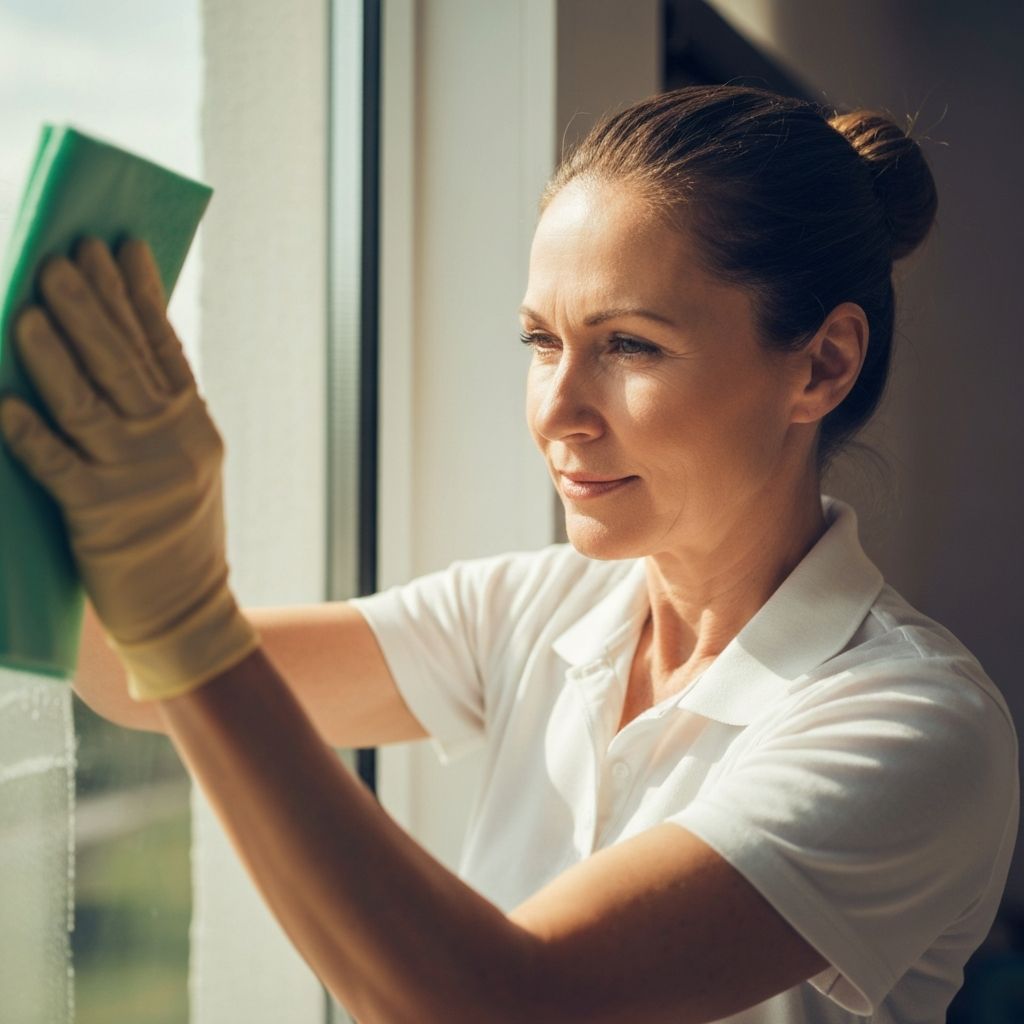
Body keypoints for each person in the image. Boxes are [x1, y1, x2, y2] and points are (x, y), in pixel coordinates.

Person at [0, 84, 1017, 1023]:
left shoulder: (914, 724)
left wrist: (186, 609)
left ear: (822, 365)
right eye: (540, 341)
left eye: (628, 345)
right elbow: (132, 676)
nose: (558, 412)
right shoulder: (544, 606)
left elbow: (499, 1004)